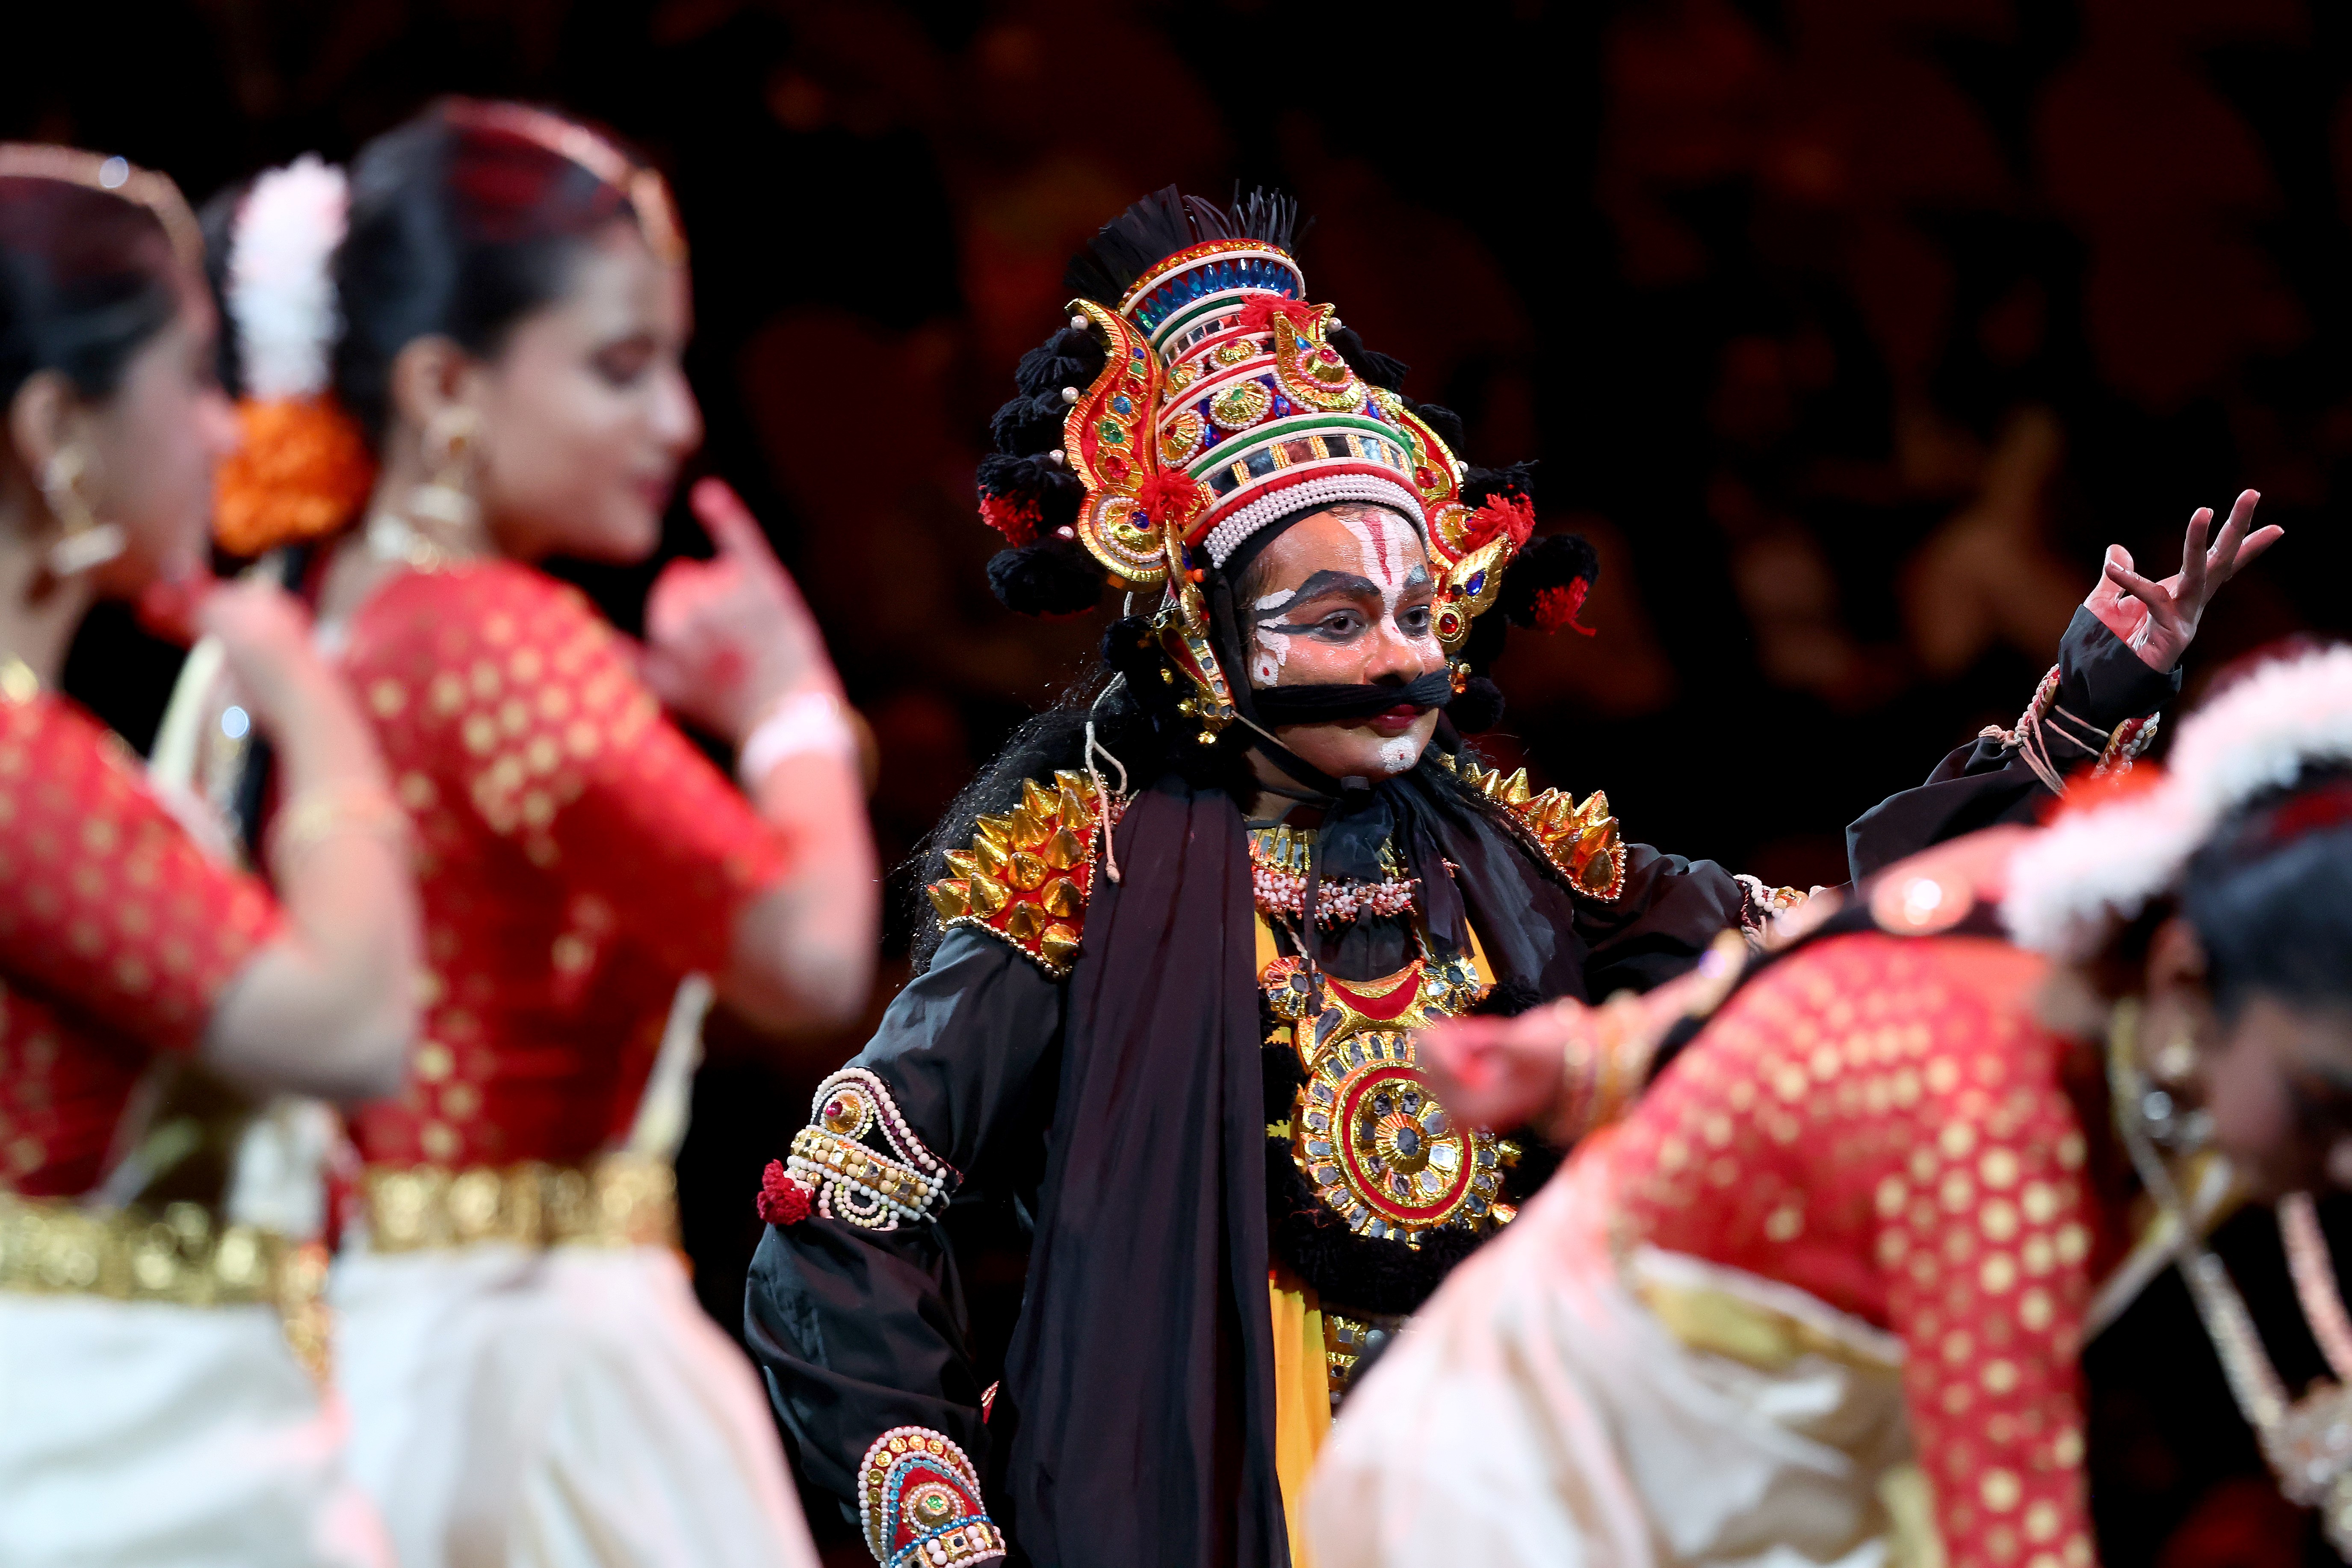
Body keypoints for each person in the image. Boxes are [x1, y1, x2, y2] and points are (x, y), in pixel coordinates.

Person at [739, 185, 2253, 1568]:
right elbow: (849, 1205)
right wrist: (940, 1523)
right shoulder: (1086, 866)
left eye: (1421, 606)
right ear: (1202, 639)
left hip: (1503, 1485)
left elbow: (1823, 963)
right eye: (1333, 618)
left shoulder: (1514, 859)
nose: (1404, 657)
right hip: (1210, 1495)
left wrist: (2069, 720)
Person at [206, 102, 873, 1568]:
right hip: (545, 1373)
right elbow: (812, 955)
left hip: (368, 1346)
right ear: (446, 384)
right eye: (620, 369)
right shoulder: (497, 639)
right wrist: (793, 713)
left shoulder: (318, 615)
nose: (679, 421)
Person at [1306, 641, 2352, 1568]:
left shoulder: (2043, 903)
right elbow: (2009, 1523)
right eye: (2324, 1104)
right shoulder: (1989, 1122)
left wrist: (1584, 1060)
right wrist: (1577, 1064)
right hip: (1556, 1487)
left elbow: (1786, 963)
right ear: (2177, 979)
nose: (2344, 1161)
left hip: (1773, 1455)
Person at [0, 144, 418, 1568]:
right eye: (190, 380)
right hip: (102, 1465)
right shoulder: (14, 771)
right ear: (58, 428)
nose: (232, 432)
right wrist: (312, 700)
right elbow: (353, 1024)